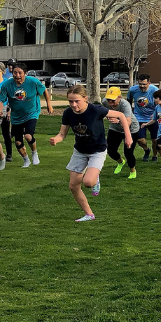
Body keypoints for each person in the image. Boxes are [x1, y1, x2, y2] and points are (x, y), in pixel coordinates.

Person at [49, 85, 132, 222]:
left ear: (85, 99)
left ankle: (95, 178)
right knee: (73, 185)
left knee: (88, 182)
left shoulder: (96, 110)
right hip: (80, 151)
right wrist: (56, 140)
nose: (73, 105)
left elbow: (121, 116)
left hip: (97, 151)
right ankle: (89, 214)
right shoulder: (68, 113)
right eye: (70, 101)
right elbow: (62, 134)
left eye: (77, 101)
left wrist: (128, 136)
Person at [0, 62, 52, 168]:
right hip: (16, 116)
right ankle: (26, 160)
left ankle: (34, 152)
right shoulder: (7, 85)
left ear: (25, 73)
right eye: (14, 72)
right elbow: (1, 99)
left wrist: (49, 104)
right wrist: (0, 110)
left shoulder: (33, 81)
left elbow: (44, 90)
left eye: (20, 73)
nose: (17, 75)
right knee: (18, 143)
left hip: (32, 112)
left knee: (28, 135)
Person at [101, 87, 140, 179]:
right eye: (109, 100)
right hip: (115, 129)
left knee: (128, 152)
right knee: (110, 150)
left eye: (113, 100)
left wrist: (118, 120)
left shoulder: (125, 105)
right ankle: (120, 162)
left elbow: (128, 122)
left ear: (119, 97)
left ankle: (132, 170)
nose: (110, 103)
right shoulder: (104, 102)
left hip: (131, 129)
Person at [127, 74, 159, 162]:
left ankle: (155, 155)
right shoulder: (133, 90)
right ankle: (147, 150)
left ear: (149, 83)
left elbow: (160, 104)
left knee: (155, 139)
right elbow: (128, 101)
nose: (142, 86)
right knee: (139, 139)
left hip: (153, 118)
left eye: (144, 84)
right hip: (139, 117)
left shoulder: (155, 90)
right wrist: (129, 113)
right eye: (140, 84)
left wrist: (156, 114)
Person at [0, 62, 13, 162]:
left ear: (3, 72)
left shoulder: (7, 83)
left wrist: (9, 111)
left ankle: (9, 154)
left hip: (5, 108)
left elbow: (12, 98)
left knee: (6, 133)